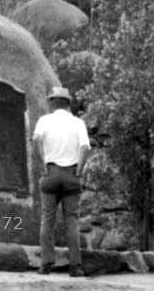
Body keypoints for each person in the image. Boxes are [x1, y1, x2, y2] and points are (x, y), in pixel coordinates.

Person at [32, 86, 91, 277]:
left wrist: (42, 167)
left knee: (47, 220)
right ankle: (75, 267)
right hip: (71, 175)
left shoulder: (44, 120)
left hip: (50, 173)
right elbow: (85, 148)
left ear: (52, 103)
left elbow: (35, 141)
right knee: (72, 221)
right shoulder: (78, 123)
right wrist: (79, 172)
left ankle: (46, 264)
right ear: (68, 104)